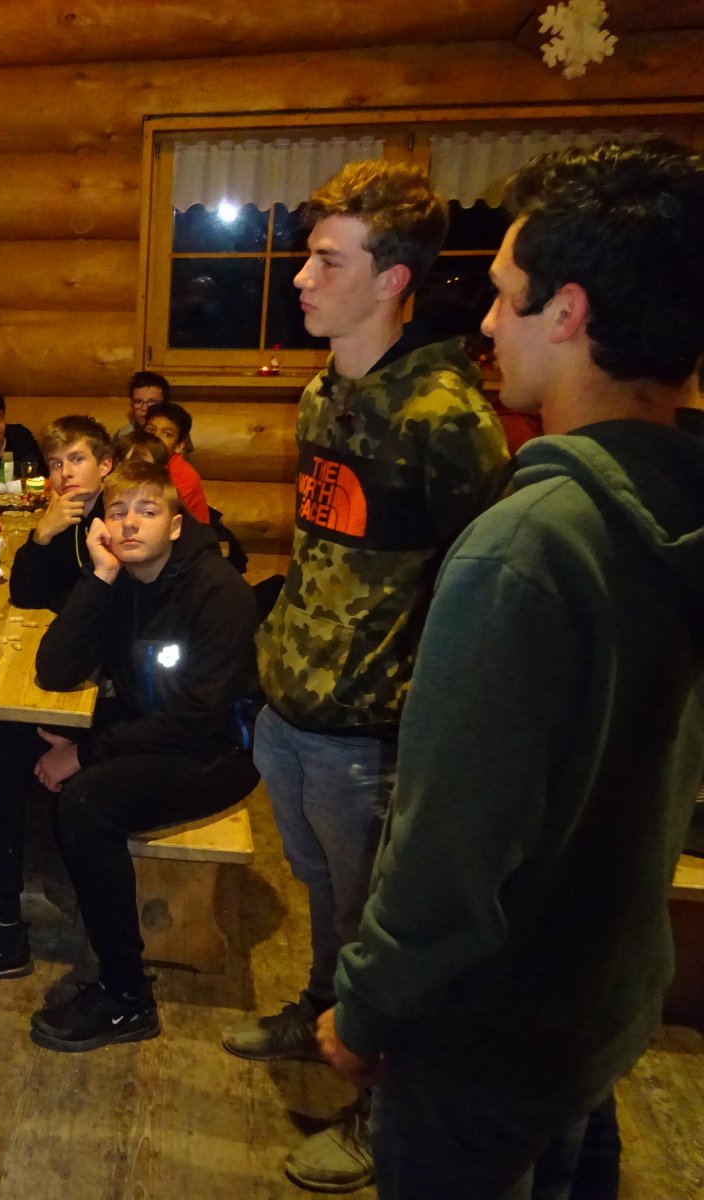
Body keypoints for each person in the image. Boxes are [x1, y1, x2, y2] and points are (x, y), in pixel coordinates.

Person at [316, 140, 704, 1200]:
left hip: (486, 1032)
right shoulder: (678, 498)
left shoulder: (526, 546)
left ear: (567, 313)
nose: (485, 324)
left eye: (502, 295)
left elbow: (450, 849)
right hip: (604, 998)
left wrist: (367, 1008)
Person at [220, 160, 509, 1194]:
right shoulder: (321, 394)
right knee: (320, 898)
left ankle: (382, 1114)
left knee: (377, 926)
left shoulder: (445, 418)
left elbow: (477, 593)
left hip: (374, 731)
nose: (301, 278)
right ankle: (318, 1016)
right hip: (293, 706)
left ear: (392, 281)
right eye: (306, 256)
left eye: (327, 261)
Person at [0, 462, 259, 1050]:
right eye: (118, 512)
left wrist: (87, 753)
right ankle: (2, 933)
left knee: (88, 803)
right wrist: (98, 577)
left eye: (147, 512)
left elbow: (198, 718)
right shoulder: (117, 576)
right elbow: (56, 670)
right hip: (139, 726)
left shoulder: (218, 592)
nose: (130, 525)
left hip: (215, 751)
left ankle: (127, 996)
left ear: (176, 525)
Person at [8, 415, 114, 612]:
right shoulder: (60, 517)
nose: (65, 472)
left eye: (77, 459)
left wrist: (56, 600)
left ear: (104, 465)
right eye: (56, 464)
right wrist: (41, 536)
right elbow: (24, 597)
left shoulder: (119, 516)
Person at [142, 400, 211, 523]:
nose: (156, 438)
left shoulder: (184, 476)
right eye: (150, 430)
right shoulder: (139, 460)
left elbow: (158, 516)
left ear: (179, 445)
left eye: (167, 434)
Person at [117, 369, 173, 440]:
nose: (144, 408)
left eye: (152, 402)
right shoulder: (123, 436)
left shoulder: (176, 434)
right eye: (138, 402)